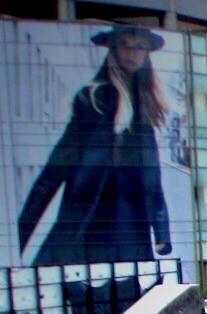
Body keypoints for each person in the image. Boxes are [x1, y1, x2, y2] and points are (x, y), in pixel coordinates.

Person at [17, 25, 174, 268]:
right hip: (91, 222)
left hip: (130, 225)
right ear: (113, 49)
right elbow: (55, 169)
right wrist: (20, 232)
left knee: (129, 295)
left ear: (146, 54)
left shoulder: (145, 106)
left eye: (139, 47)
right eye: (125, 45)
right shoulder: (93, 100)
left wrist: (162, 232)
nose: (132, 53)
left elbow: (152, 179)